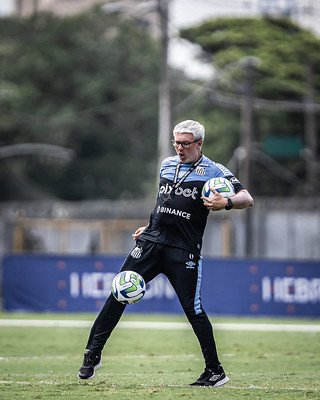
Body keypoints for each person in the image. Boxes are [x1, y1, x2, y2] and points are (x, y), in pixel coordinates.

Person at [78, 119, 254, 386]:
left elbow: (247, 198)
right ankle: (92, 354)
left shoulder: (213, 171)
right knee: (118, 292)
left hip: (183, 250)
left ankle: (215, 371)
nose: (179, 148)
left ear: (199, 143)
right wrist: (150, 226)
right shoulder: (167, 164)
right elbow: (165, 203)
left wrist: (226, 202)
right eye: (176, 142)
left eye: (185, 143)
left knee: (192, 310)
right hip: (150, 243)